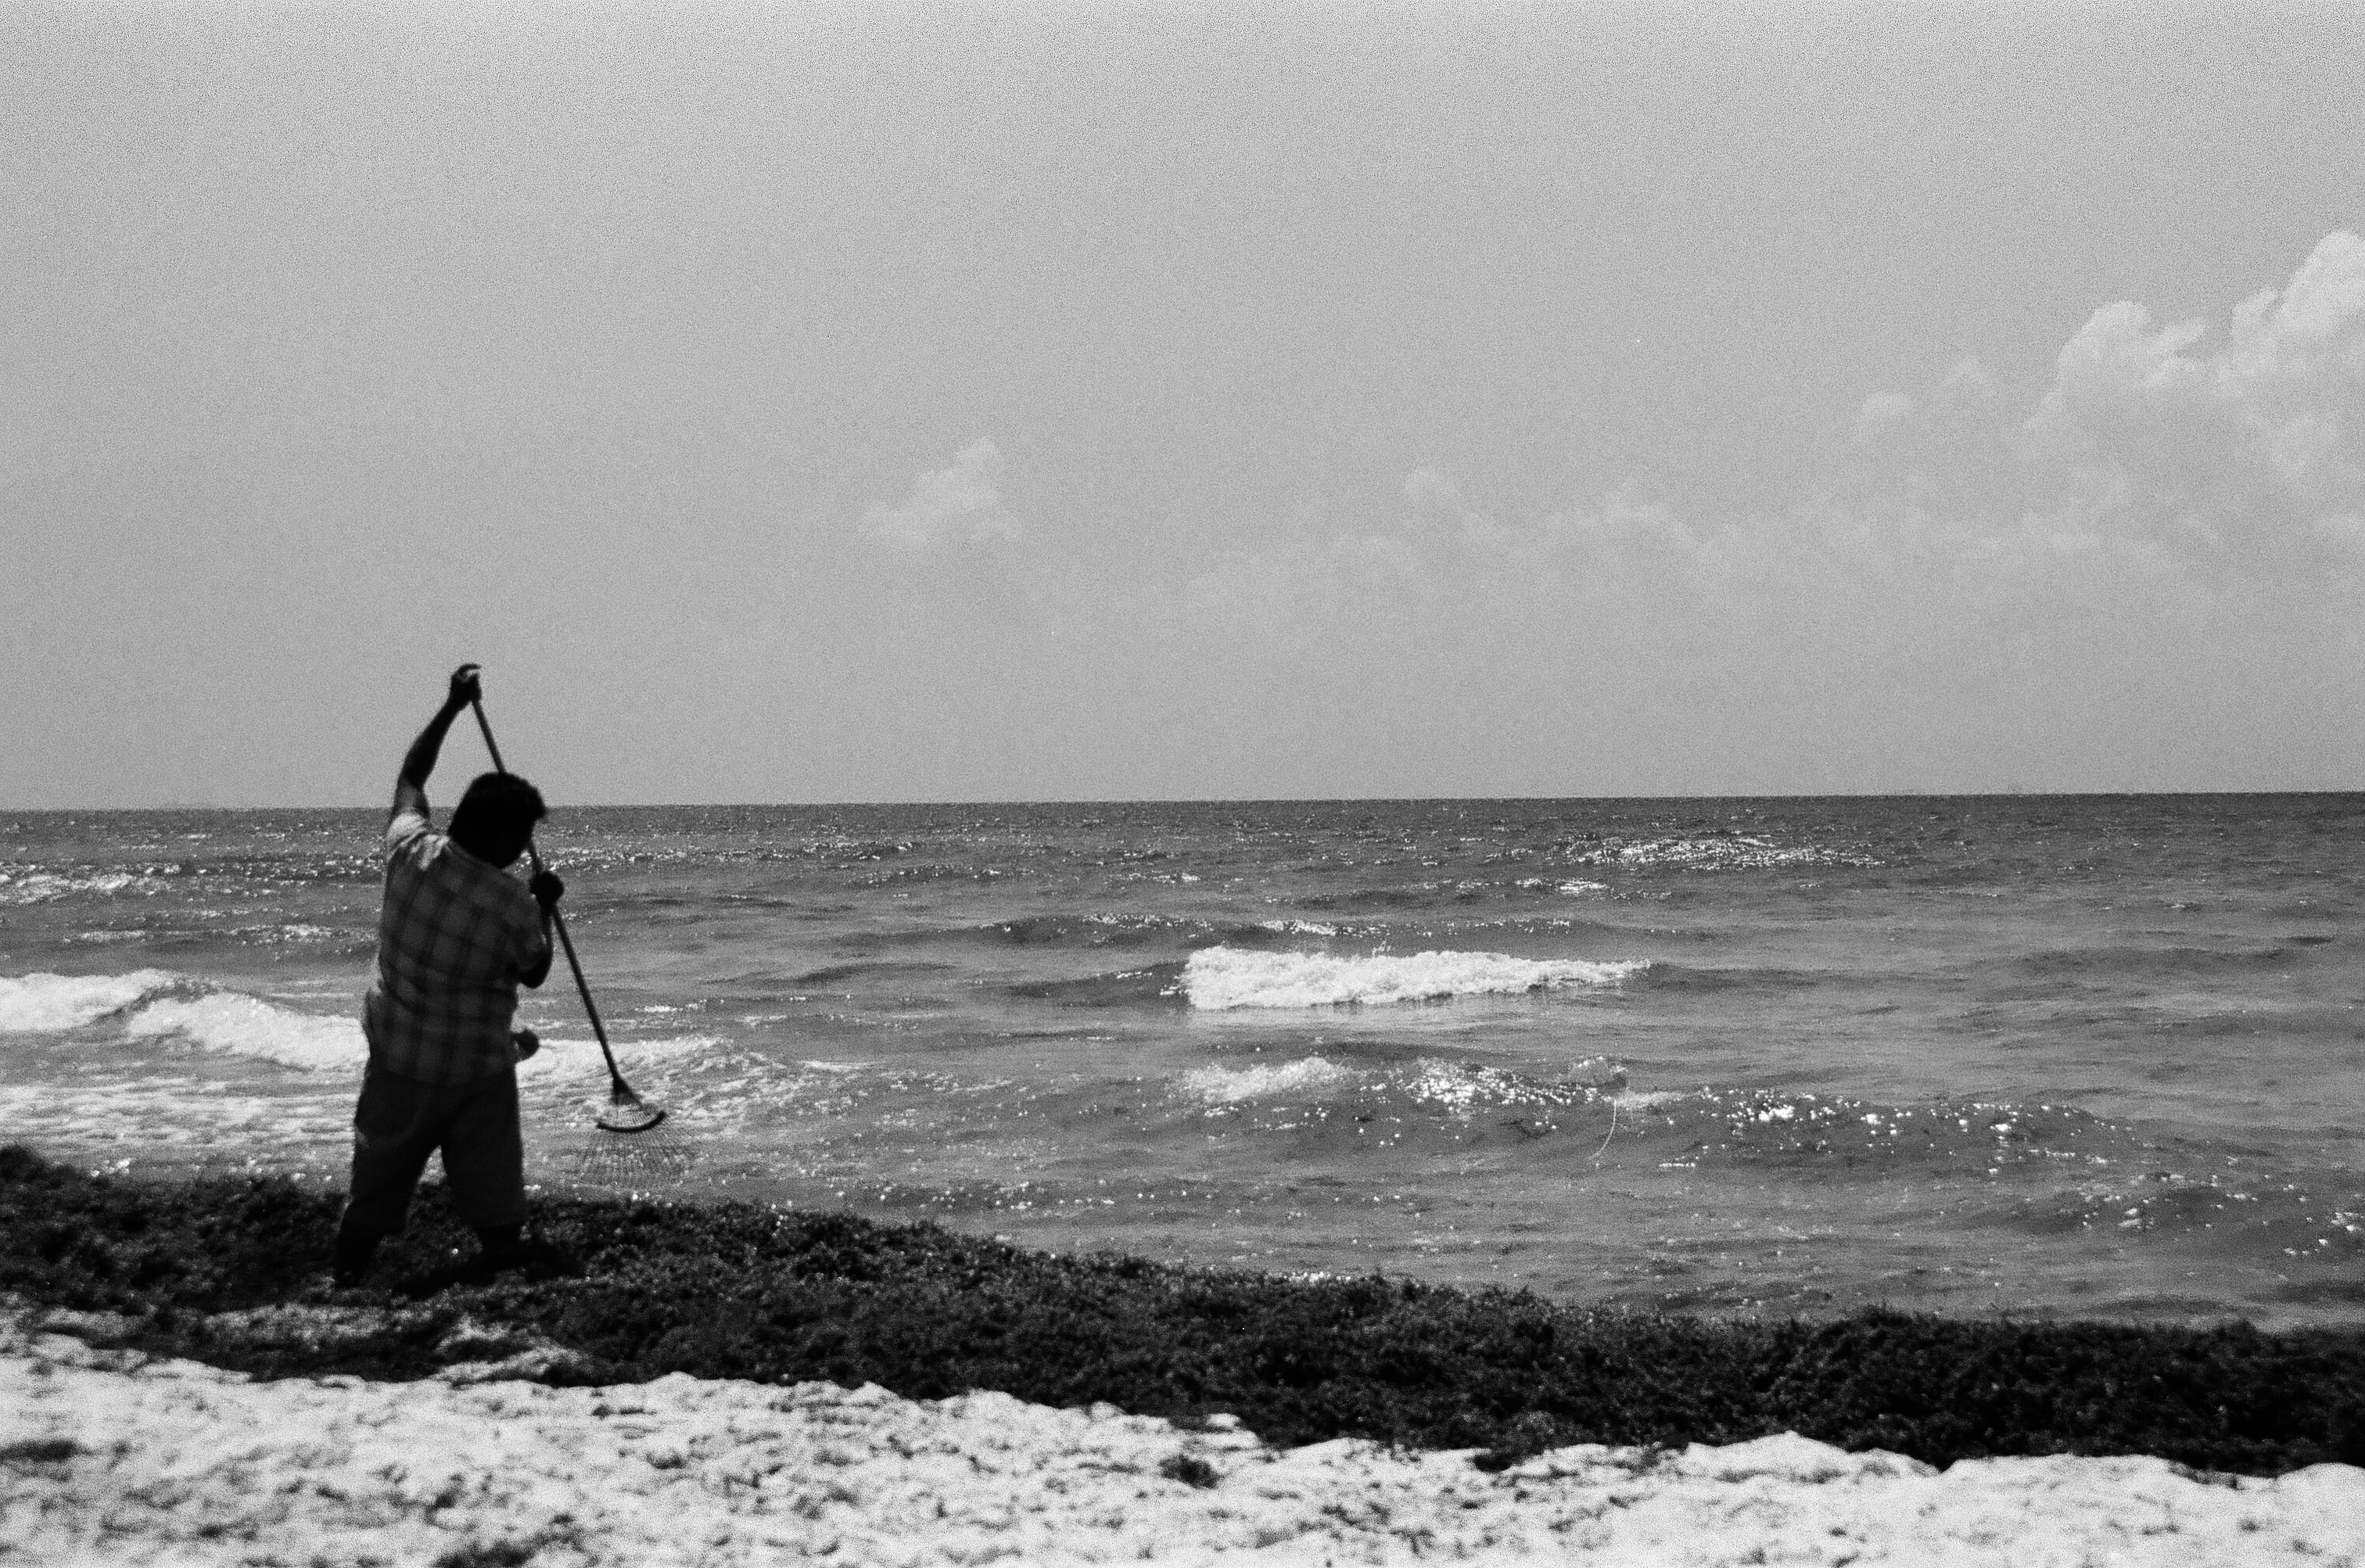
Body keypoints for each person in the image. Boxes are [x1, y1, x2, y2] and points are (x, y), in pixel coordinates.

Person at [331, 663, 565, 1286]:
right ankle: (501, 1253)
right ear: (506, 837)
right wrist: (544, 904)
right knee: (491, 1176)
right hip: (475, 1070)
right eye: (523, 834)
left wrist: (453, 707)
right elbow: (536, 970)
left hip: (400, 1057)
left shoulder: (409, 847)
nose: (524, 845)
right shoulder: (512, 904)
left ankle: (349, 1272)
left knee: (378, 1174)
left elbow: (412, 776)